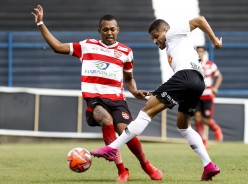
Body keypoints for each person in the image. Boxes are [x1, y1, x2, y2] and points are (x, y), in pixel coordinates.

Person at [31, 5, 162, 182]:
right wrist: (40, 23)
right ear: (99, 31)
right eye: (105, 29)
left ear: (118, 30)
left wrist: (134, 91)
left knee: (127, 132)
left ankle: (146, 165)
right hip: (94, 99)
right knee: (105, 119)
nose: (109, 33)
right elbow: (57, 47)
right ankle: (122, 170)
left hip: (117, 99)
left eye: (113, 29)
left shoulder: (126, 52)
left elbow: (129, 78)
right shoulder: (87, 46)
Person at [91, 16, 223, 181]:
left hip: (186, 76)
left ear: (165, 31)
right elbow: (182, 79)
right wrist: (158, 92)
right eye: (152, 38)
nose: (154, 41)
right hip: (197, 82)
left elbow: (200, 20)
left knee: (146, 112)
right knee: (184, 126)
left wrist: (214, 40)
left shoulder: (173, 33)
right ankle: (208, 165)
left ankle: (111, 148)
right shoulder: (174, 46)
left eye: (156, 36)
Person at [194, 46, 223, 149]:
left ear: (204, 53)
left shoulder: (210, 65)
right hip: (196, 96)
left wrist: (215, 87)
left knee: (206, 120)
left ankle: (216, 128)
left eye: (201, 52)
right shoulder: (193, 65)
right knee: (197, 118)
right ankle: (203, 141)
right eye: (198, 52)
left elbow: (219, 76)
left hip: (207, 95)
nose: (199, 54)